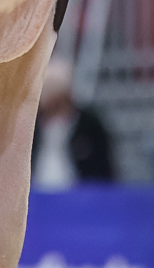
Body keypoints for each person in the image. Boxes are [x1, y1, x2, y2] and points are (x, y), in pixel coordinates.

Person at [30, 56, 114, 190]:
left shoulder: (89, 125)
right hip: (38, 194)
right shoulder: (32, 127)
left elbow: (104, 168)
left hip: (82, 194)